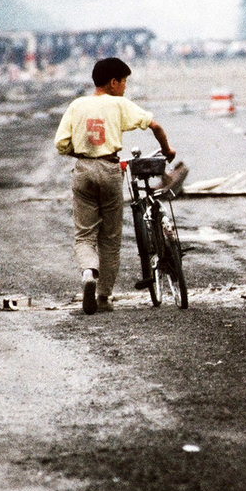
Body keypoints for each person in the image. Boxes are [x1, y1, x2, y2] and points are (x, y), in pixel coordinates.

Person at [55, 57, 176, 315]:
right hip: (110, 170)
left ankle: (89, 272)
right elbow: (155, 126)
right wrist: (167, 150)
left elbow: (61, 144)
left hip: (83, 170)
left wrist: (82, 151)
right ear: (113, 83)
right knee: (110, 239)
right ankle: (103, 297)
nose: (125, 88)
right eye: (124, 83)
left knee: (84, 235)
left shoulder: (77, 105)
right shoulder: (119, 104)